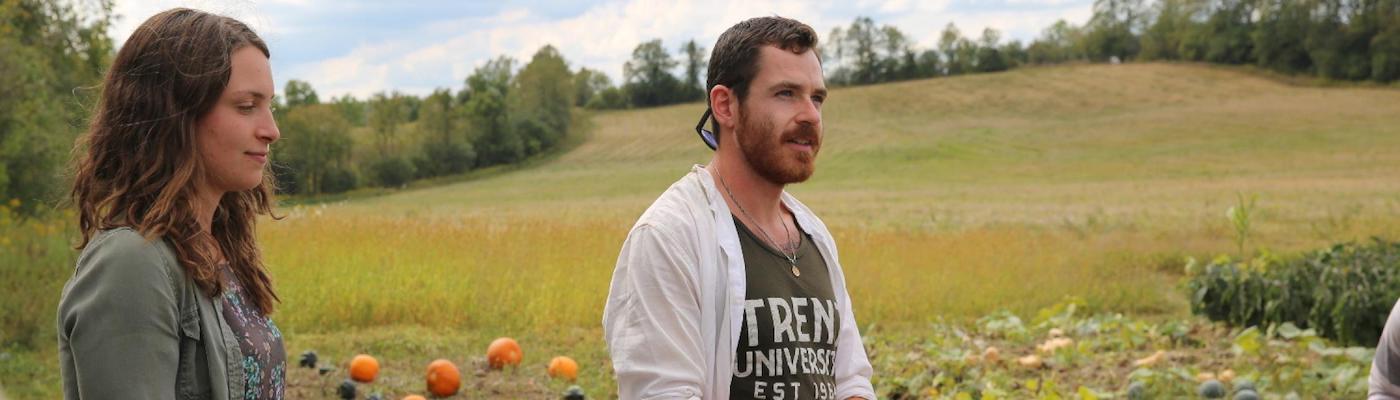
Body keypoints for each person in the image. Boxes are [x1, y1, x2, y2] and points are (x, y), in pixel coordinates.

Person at [602, 16, 875, 399]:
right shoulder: (669, 237)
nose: (811, 115)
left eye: (816, 98)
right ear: (726, 105)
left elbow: (849, 381)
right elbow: (664, 392)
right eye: (786, 93)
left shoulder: (815, 237)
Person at [58, 8, 285, 400]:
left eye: (270, 106)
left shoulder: (215, 246)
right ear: (175, 115)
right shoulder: (132, 263)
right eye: (247, 106)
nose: (271, 130)